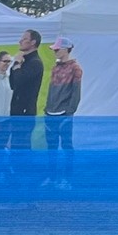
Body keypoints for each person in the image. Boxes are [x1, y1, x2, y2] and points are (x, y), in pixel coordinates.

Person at [43, 37, 82, 186]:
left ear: (66, 50)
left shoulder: (75, 68)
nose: (55, 52)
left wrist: (69, 112)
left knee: (67, 147)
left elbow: (76, 93)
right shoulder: (55, 68)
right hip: (50, 113)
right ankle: (52, 177)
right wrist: (47, 109)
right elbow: (51, 90)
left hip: (64, 114)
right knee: (51, 148)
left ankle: (67, 179)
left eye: (57, 49)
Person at [8, 27, 45, 149]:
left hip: (25, 112)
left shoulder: (35, 63)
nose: (20, 41)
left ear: (33, 42)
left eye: (24, 39)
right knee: (15, 145)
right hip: (16, 110)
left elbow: (20, 80)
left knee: (22, 145)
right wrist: (16, 64)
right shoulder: (24, 60)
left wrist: (18, 63)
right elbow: (13, 84)